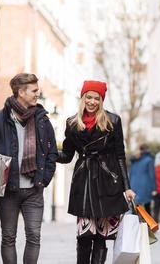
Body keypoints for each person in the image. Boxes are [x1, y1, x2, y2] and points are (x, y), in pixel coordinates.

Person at [0, 73, 58, 264]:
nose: (38, 93)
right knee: (8, 237)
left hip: (34, 190)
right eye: (34, 90)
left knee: (34, 236)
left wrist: (45, 178)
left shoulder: (43, 120)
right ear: (21, 92)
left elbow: (52, 152)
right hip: (8, 189)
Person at [56, 80, 136, 264]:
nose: (92, 102)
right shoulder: (72, 123)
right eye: (89, 97)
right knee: (83, 236)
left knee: (101, 237)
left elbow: (120, 155)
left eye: (96, 98)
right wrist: (48, 153)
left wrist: (127, 187)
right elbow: (67, 155)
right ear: (83, 98)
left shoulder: (113, 121)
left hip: (107, 183)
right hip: (83, 183)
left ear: (101, 100)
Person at [129, 143, 156, 214]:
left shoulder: (134, 161)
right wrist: (154, 189)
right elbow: (152, 175)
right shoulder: (149, 160)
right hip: (145, 187)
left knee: (135, 210)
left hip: (133, 186)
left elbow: (130, 174)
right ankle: (148, 225)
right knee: (147, 210)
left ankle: (135, 225)